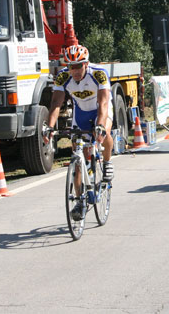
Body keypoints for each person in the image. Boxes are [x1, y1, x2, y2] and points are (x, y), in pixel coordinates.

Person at [47, 44, 114, 220]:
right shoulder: (62, 77)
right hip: (81, 114)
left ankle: (107, 162)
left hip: (101, 109)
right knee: (78, 159)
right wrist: (49, 127)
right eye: (71, 66)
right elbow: (55, 104)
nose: (75, 70)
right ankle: (79, 200)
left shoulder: (98, 73)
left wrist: (99, 124)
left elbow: (104, 103)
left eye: (78, 66)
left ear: (86, 64)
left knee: (103, 133)